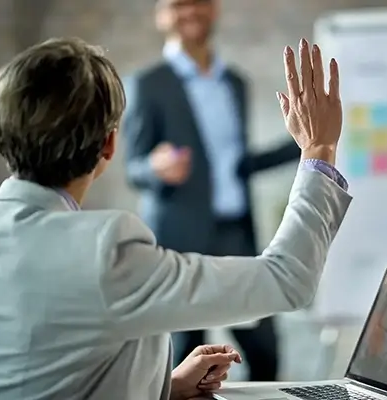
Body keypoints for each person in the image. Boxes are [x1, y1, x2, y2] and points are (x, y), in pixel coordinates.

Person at [0, 35, 349, 400]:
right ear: (109, 144)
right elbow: (287, 280)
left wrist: (164, 386)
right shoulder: (106, 251)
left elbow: (43, 375)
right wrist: (319, 147)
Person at [122, 0, 300, 379]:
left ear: (215, 9)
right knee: (185, 355)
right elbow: (133, 168)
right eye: (178, 4)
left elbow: (236, 166)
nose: (191, 11)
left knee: (265, 350)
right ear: (161, 15)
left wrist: (303, 143)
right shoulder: (148, 83)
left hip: (236, 234)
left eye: (199, 2)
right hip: (178, 240)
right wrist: (156, 168)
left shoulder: (234, 83)